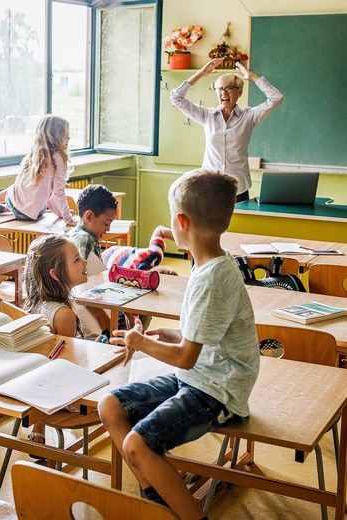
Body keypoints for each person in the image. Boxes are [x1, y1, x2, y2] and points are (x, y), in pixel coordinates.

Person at [98, 169, 259, 520]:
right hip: (200, 377)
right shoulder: (209, 263)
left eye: (171, 215)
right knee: (109, 406)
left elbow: (186, 357)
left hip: (218, 391)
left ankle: (186, 513)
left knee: (137, 444)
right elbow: (202, 337)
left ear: (182, 222)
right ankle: (160, 500)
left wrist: (140, 342)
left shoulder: (212, 277)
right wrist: (173, 335)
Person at [170, 59, 284, 202]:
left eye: (229, 88)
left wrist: (253, 77)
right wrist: (201, 73)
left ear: (239, 92)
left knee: (239, 218)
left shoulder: (249, 117)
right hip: (209, 187)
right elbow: (176, 98)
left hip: (238, 189)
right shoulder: (207, 116)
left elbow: (276, 98)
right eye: (219, 89)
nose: (223, 93)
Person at [22, 233, 95, 452]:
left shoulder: (33, 306)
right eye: (76, 260)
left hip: (31, 391)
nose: (84, 262)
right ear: (55, 274)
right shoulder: (63, 315)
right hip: (61, 399)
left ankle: (38, 432)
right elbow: (64, 369)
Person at [0, 115, 75, 225]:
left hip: (16, 206)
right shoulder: (58, 158)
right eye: (66, 134)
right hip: (32, 215)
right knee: (36, 199)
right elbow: (55, 193)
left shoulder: (36, 155)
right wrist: (66, 217)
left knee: (15, 189)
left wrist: (64, 214)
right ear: (55, 136)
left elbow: (52, 194)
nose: (69, 138)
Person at [68, 184, 118, 333]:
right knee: (139, 314)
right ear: (89, 216)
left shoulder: (78, 235)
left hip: (94, 307)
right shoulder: (85, 241)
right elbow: (82, 289)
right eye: (106, 223)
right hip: (92, 317)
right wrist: (105, 321)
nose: (108, 229)